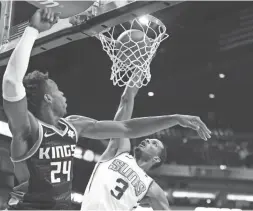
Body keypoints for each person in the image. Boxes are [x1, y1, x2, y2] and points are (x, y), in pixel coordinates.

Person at [2, 8, 211, 210]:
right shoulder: (29, 129)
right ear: (47, 98)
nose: (63, 94)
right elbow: (12, 82)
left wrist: (174, 118)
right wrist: (32, 30)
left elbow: (127, 128)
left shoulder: (73, 125)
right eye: (57, 91)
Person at [80, 75, 209, 211]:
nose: (147, 140)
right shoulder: (119, 150)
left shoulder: (152, 188)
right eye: (148, 139)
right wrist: (141, 68)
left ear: (156, 158)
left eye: (154, 144)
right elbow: (126, 99)